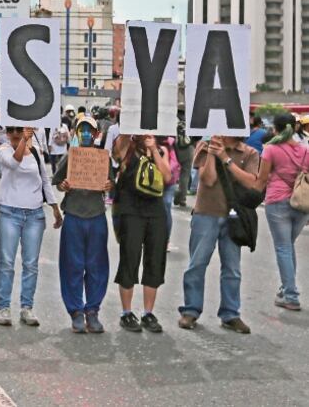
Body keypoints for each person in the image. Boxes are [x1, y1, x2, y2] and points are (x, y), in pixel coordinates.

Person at [178, 134, 260, 333]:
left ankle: (231, 313)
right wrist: (214, 153)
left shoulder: (249, 152)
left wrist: (226, 158)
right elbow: (208, 179)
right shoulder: (204, 146)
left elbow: (251, 182)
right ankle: (191, 310)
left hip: (233, 217)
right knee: (197, 264)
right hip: (206, 213)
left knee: (232, 268)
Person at [0, 127, 62, 326]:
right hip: (9, 214)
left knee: (31, 264)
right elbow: (14, 163)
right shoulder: (3, 150)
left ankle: (27, 307)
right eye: (12, 130)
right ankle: (4, 307)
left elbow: (44, 180)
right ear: (7, 133)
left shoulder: (35, 151)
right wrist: (24, 140)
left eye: (20, 130)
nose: (16, 133)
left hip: (34, 214)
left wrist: (55, 207)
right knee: (7, 262)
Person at [53, 117, 112, 333]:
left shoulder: (102, 157)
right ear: (77, 134)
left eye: (90, 131)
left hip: (96, 215)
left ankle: (93, 311)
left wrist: (109, 184)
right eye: (82, 131)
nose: (86, 134)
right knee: (72, 265)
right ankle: (76, 311)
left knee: (97, 266)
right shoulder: (72, 156)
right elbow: (56, 181)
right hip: (74, 216)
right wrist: (64, 185)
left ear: (97, 134)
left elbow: (112, 182)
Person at [111, 134, 172, 333]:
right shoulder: (126, 146)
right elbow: (117, 150)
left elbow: (167, 177)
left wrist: (153, 149)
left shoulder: (160, 149)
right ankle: (126, 312)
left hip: (155, 211)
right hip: (130, 210)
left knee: (155, 260)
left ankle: (148, 313)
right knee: (130, 258)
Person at [257, 113, 309, 311]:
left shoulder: (270, 150)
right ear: (295, 128)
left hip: (277, 201)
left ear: (275, 129)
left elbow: (262, 179)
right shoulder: (306, 150)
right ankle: (286, 288)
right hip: (302, 203)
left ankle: (291, 294)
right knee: (288, 246)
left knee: (283, 248)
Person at [173, 112, 194, 207]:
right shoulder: (191, 119)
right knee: (185, 174)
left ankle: (173, 193)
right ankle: (182, 198)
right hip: (188, 149)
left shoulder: (173, 119)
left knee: (171, 172)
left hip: (175, 148)